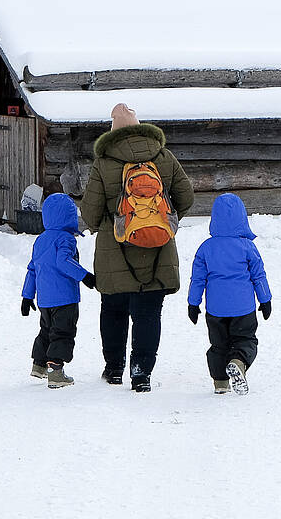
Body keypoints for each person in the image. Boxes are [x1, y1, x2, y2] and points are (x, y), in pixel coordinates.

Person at [78, 103, 194, 392]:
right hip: (158, 249)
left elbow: (90, 214)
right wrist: (162, 218)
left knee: (114, 310)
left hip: (113, 251)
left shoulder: (104, 163)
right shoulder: (163, 156)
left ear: (113, 131)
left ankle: (115, 368)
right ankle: (141, 373)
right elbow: (187, 196)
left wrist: (113, 222)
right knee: (148, 314)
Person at [186, 193, 272, 395]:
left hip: (216, 309)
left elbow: (197, 279)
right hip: (243, 308)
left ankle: (220, 383)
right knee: (246, 339)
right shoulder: (247, 246)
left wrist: (193, 303)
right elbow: (258, 275)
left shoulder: (206, 248)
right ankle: (239, 361)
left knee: (218, 345)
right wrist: (265, 299)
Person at [21, 192, 96, 388]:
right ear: (70, 216)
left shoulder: (41, 240)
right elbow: (63, 261)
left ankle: (39, 365)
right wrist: (85, 276)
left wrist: (27, 296)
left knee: (46, 330)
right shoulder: (66, 239)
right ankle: (56, 372)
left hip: (44, 299)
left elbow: (32, 269)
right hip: (64, 298)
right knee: (63, 332)